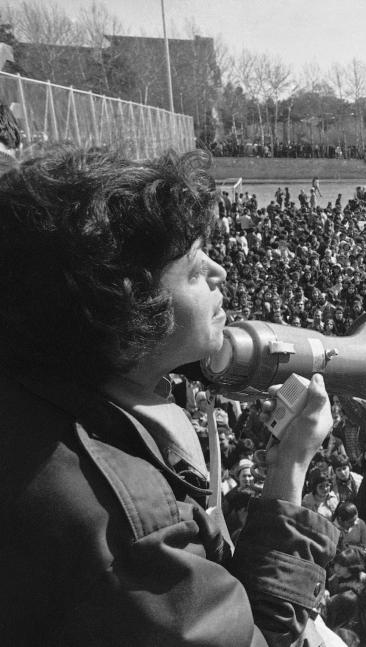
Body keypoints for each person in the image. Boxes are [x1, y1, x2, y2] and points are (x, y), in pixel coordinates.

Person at [0, 149, 342, 645]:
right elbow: (262, 639)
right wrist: (290, 466)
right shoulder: (133, 530)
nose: (221, 272)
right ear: (125, 300)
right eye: (194, 269)